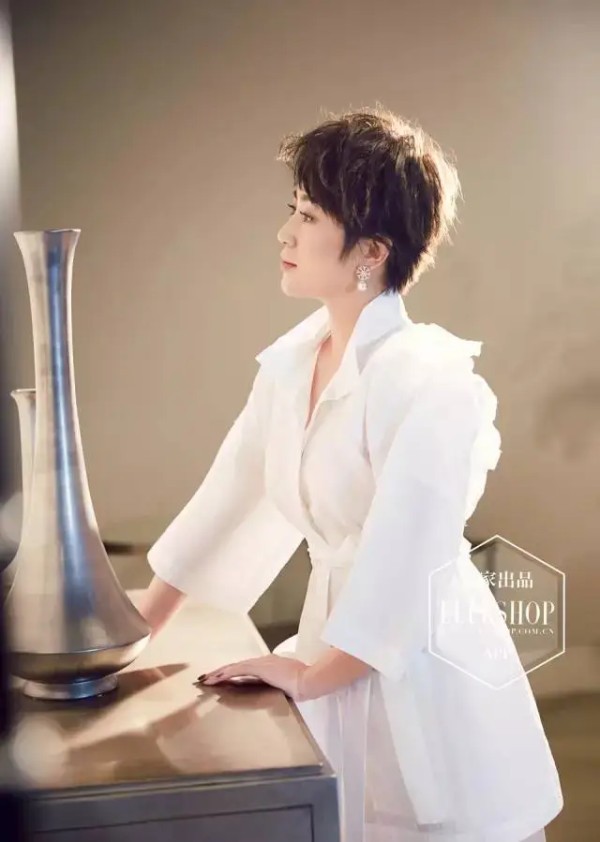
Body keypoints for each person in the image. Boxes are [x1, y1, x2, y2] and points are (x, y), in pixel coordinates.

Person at [138, 106, 563, 842]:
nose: (285, 234)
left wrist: (313, 676)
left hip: (420, 665)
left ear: (370, 251)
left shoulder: (431, 380)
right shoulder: (290, 365)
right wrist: (133, 633)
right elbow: (227, 500)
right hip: (333, 641)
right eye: (292, 210)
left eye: (307, 216)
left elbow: (408, 555)